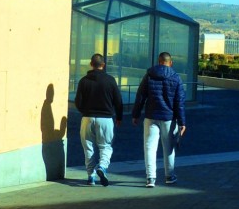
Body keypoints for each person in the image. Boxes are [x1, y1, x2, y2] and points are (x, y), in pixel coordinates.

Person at [132, 52, 187, 188]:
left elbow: (140, 96)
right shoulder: (176, 78)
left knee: (150, 148)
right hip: (169, 118)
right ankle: (170, 176)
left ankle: (150, 178)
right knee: (169, 148)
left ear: (159, 61)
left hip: (151, 116)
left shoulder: (149, 75)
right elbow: (179, 102)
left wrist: (136, 114)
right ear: (170, 63)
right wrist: (182, 122)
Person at [73, 53, 123, 186]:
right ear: (103, 65)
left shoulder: (84, 81)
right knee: (105, 146)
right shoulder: (110, 80)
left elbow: (78, 102)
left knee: (88, 148)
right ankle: (102, 166)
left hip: (87, 118)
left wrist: (85, 111)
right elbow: (118, 101)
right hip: (105, 118)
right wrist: (119, 117)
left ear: (91, 64)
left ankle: (91, 176)